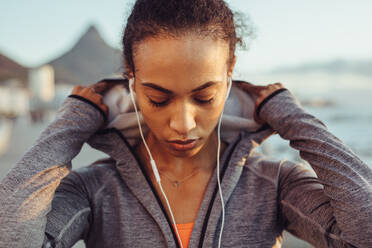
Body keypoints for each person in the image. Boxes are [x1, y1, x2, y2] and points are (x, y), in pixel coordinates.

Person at [0, 0, 371, 247]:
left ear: (229, 79)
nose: (182, 123)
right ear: (131, 82)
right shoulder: (93, 188)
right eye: (159, 99)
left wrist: (293, 118)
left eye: (204, 97)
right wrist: (72, 123)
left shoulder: (274, 182)